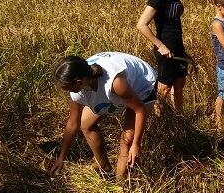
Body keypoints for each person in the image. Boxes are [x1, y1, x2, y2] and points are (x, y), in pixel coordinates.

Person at [48, 52, 158, 181]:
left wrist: (136, 144)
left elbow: (139, 110)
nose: (66, 91)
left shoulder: (115, 82)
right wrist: (62, 157)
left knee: (127, 141)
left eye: (67, 88)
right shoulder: (81, 84)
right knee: (86, 124)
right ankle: (104, 167)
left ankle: (121, 186)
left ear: (78, 82)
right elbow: (73, 123)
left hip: (142, 86)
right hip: (117, 88)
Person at [136, 0, 188, 114]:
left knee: (180, 83)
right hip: (166, 47)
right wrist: (161, 46)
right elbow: (141, 25)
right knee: (164, 88)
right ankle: (157, 119)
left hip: (177, 44)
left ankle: (180, 119)